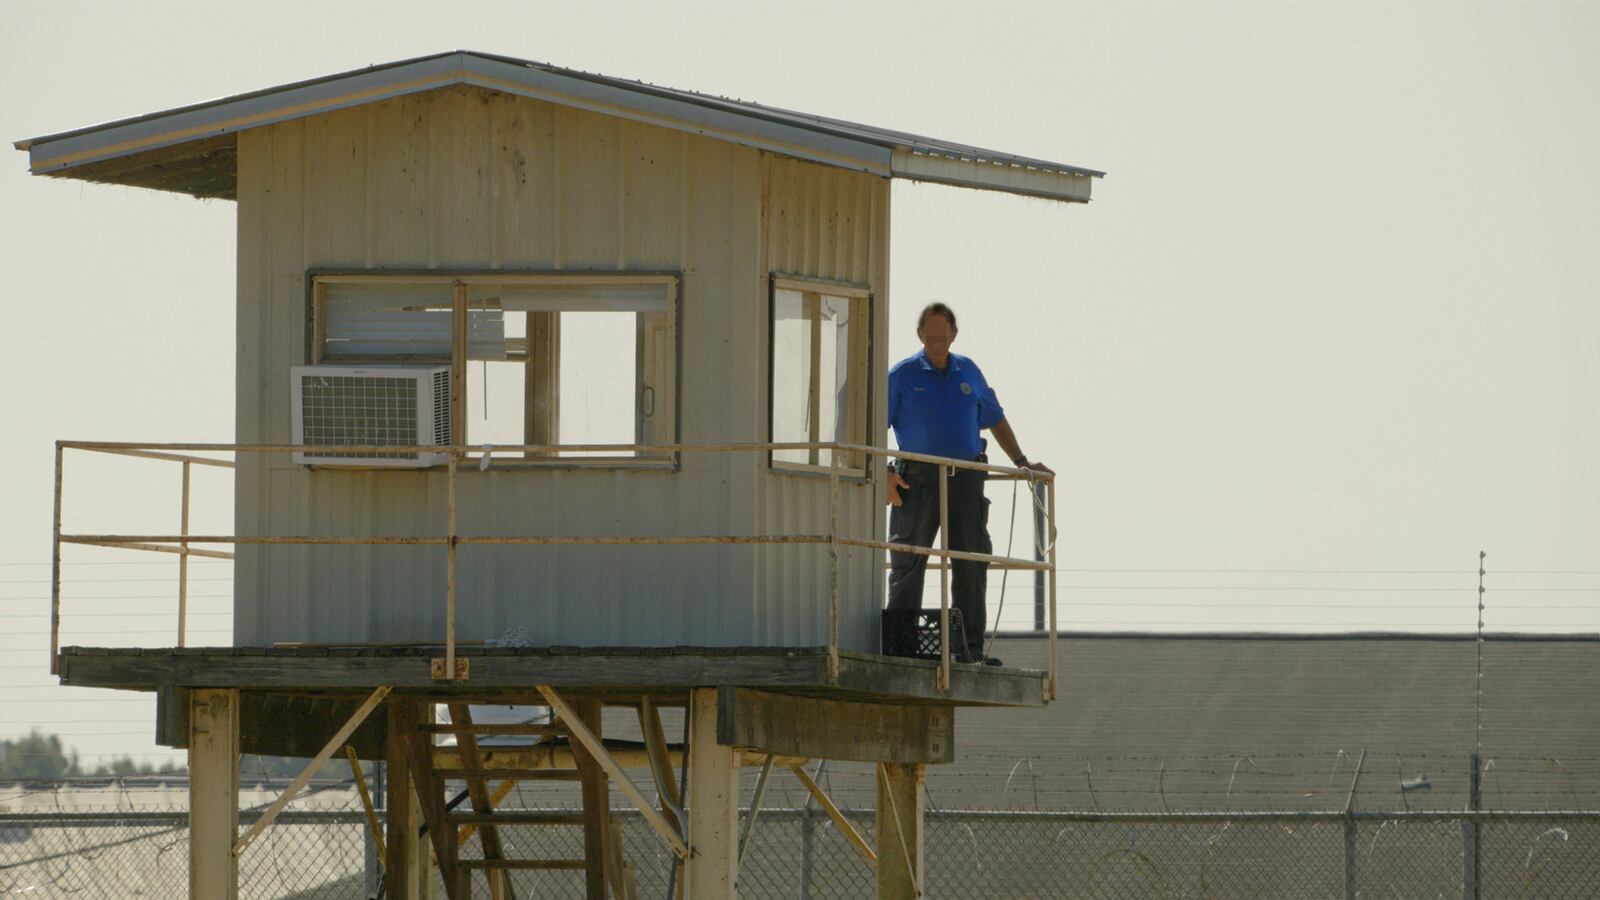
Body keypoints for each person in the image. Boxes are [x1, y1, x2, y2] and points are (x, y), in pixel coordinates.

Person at [885, 302, 1053, 666]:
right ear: (919, 337)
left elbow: (995, 416)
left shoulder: (969, 372)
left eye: (942, 339)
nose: (936, 345)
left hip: (966, 481)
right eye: (930, 339)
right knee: (908, 562)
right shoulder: (901, 375)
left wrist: (1021, 462)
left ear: (954, 336)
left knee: (971, 562)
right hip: (918, 479)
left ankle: (968, 650)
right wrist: (883, 472)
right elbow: (868, 424)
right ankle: (899, 650)